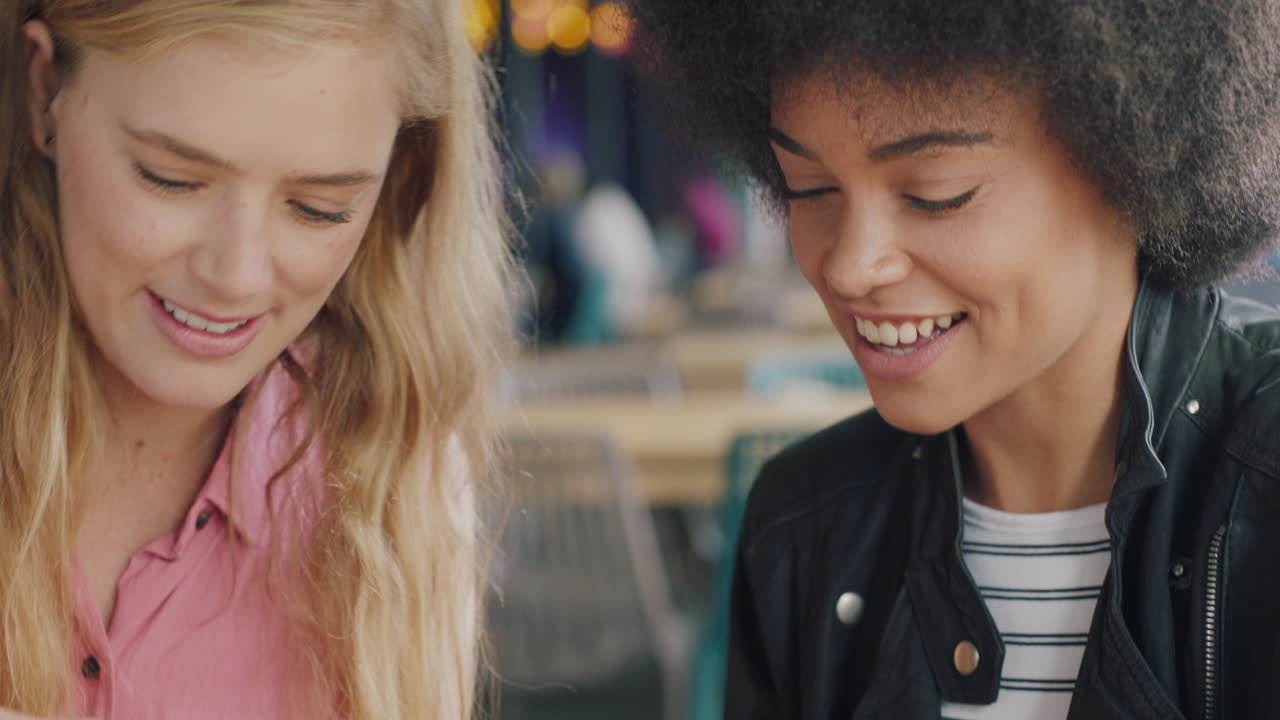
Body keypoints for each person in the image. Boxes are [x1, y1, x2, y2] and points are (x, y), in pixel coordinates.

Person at [624, 1, 1280, 718]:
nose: (849, 265)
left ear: (1134, 158)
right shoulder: (802, 524)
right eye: (809, 189)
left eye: (937, 196)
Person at [0, 1, 513, 718]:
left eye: (318, 209)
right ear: (43, 88)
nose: (236, 275)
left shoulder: (397, 490)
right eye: (170, 178)